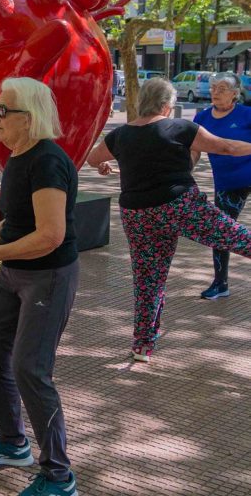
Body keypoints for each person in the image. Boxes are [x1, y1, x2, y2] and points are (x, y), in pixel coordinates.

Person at [0, 77, 80, 496]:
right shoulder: (17, 158)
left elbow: (50, 235)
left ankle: (59, 476)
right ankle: (12, 443)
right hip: (15, 271)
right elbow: (17, 221)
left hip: (48, 276)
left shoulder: (47, 161)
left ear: (29, 119)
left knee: (30, 369)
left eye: (2, 111)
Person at [86, 77, 251, 363]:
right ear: (166, 105)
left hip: (137, 214)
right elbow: (226, 147)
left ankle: (142, 346)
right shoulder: (180, 127)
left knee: (148, 279)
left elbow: (91, 158)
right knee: (237, 237)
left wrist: (103, 164)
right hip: (180, 205)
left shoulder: (120, 134)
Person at [191, 72, 251, 299]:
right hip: (227, 183)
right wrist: (185, 171)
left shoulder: (247, 114)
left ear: (235, 94)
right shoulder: (202, 119)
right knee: (221, 231)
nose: (215, 92)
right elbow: (194, 152)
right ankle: (220, 283)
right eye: (213, 87)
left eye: (222, 88)